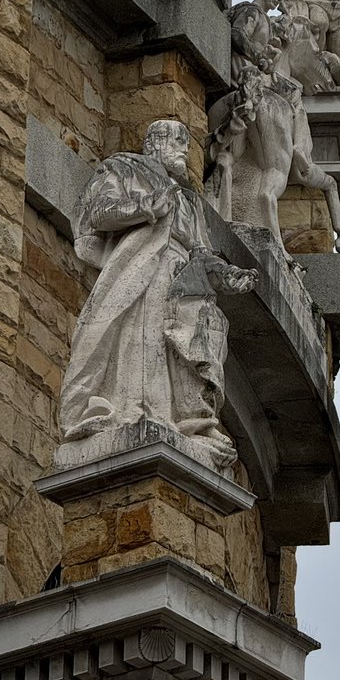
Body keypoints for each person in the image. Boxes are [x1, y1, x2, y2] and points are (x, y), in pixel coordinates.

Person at [60, 120, 256, 470]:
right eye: (176, 142)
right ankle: (135, 410)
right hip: (143, 269)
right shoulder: (124, 168)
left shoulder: (190, 202)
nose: (184, 150)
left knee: (191, 347)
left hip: (185, 281)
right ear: (153, 144)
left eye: (186, 143)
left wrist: (227, 275)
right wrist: (149, 204)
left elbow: (201, 252)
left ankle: (190, 421)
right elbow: (99, 213)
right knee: (143, 339)